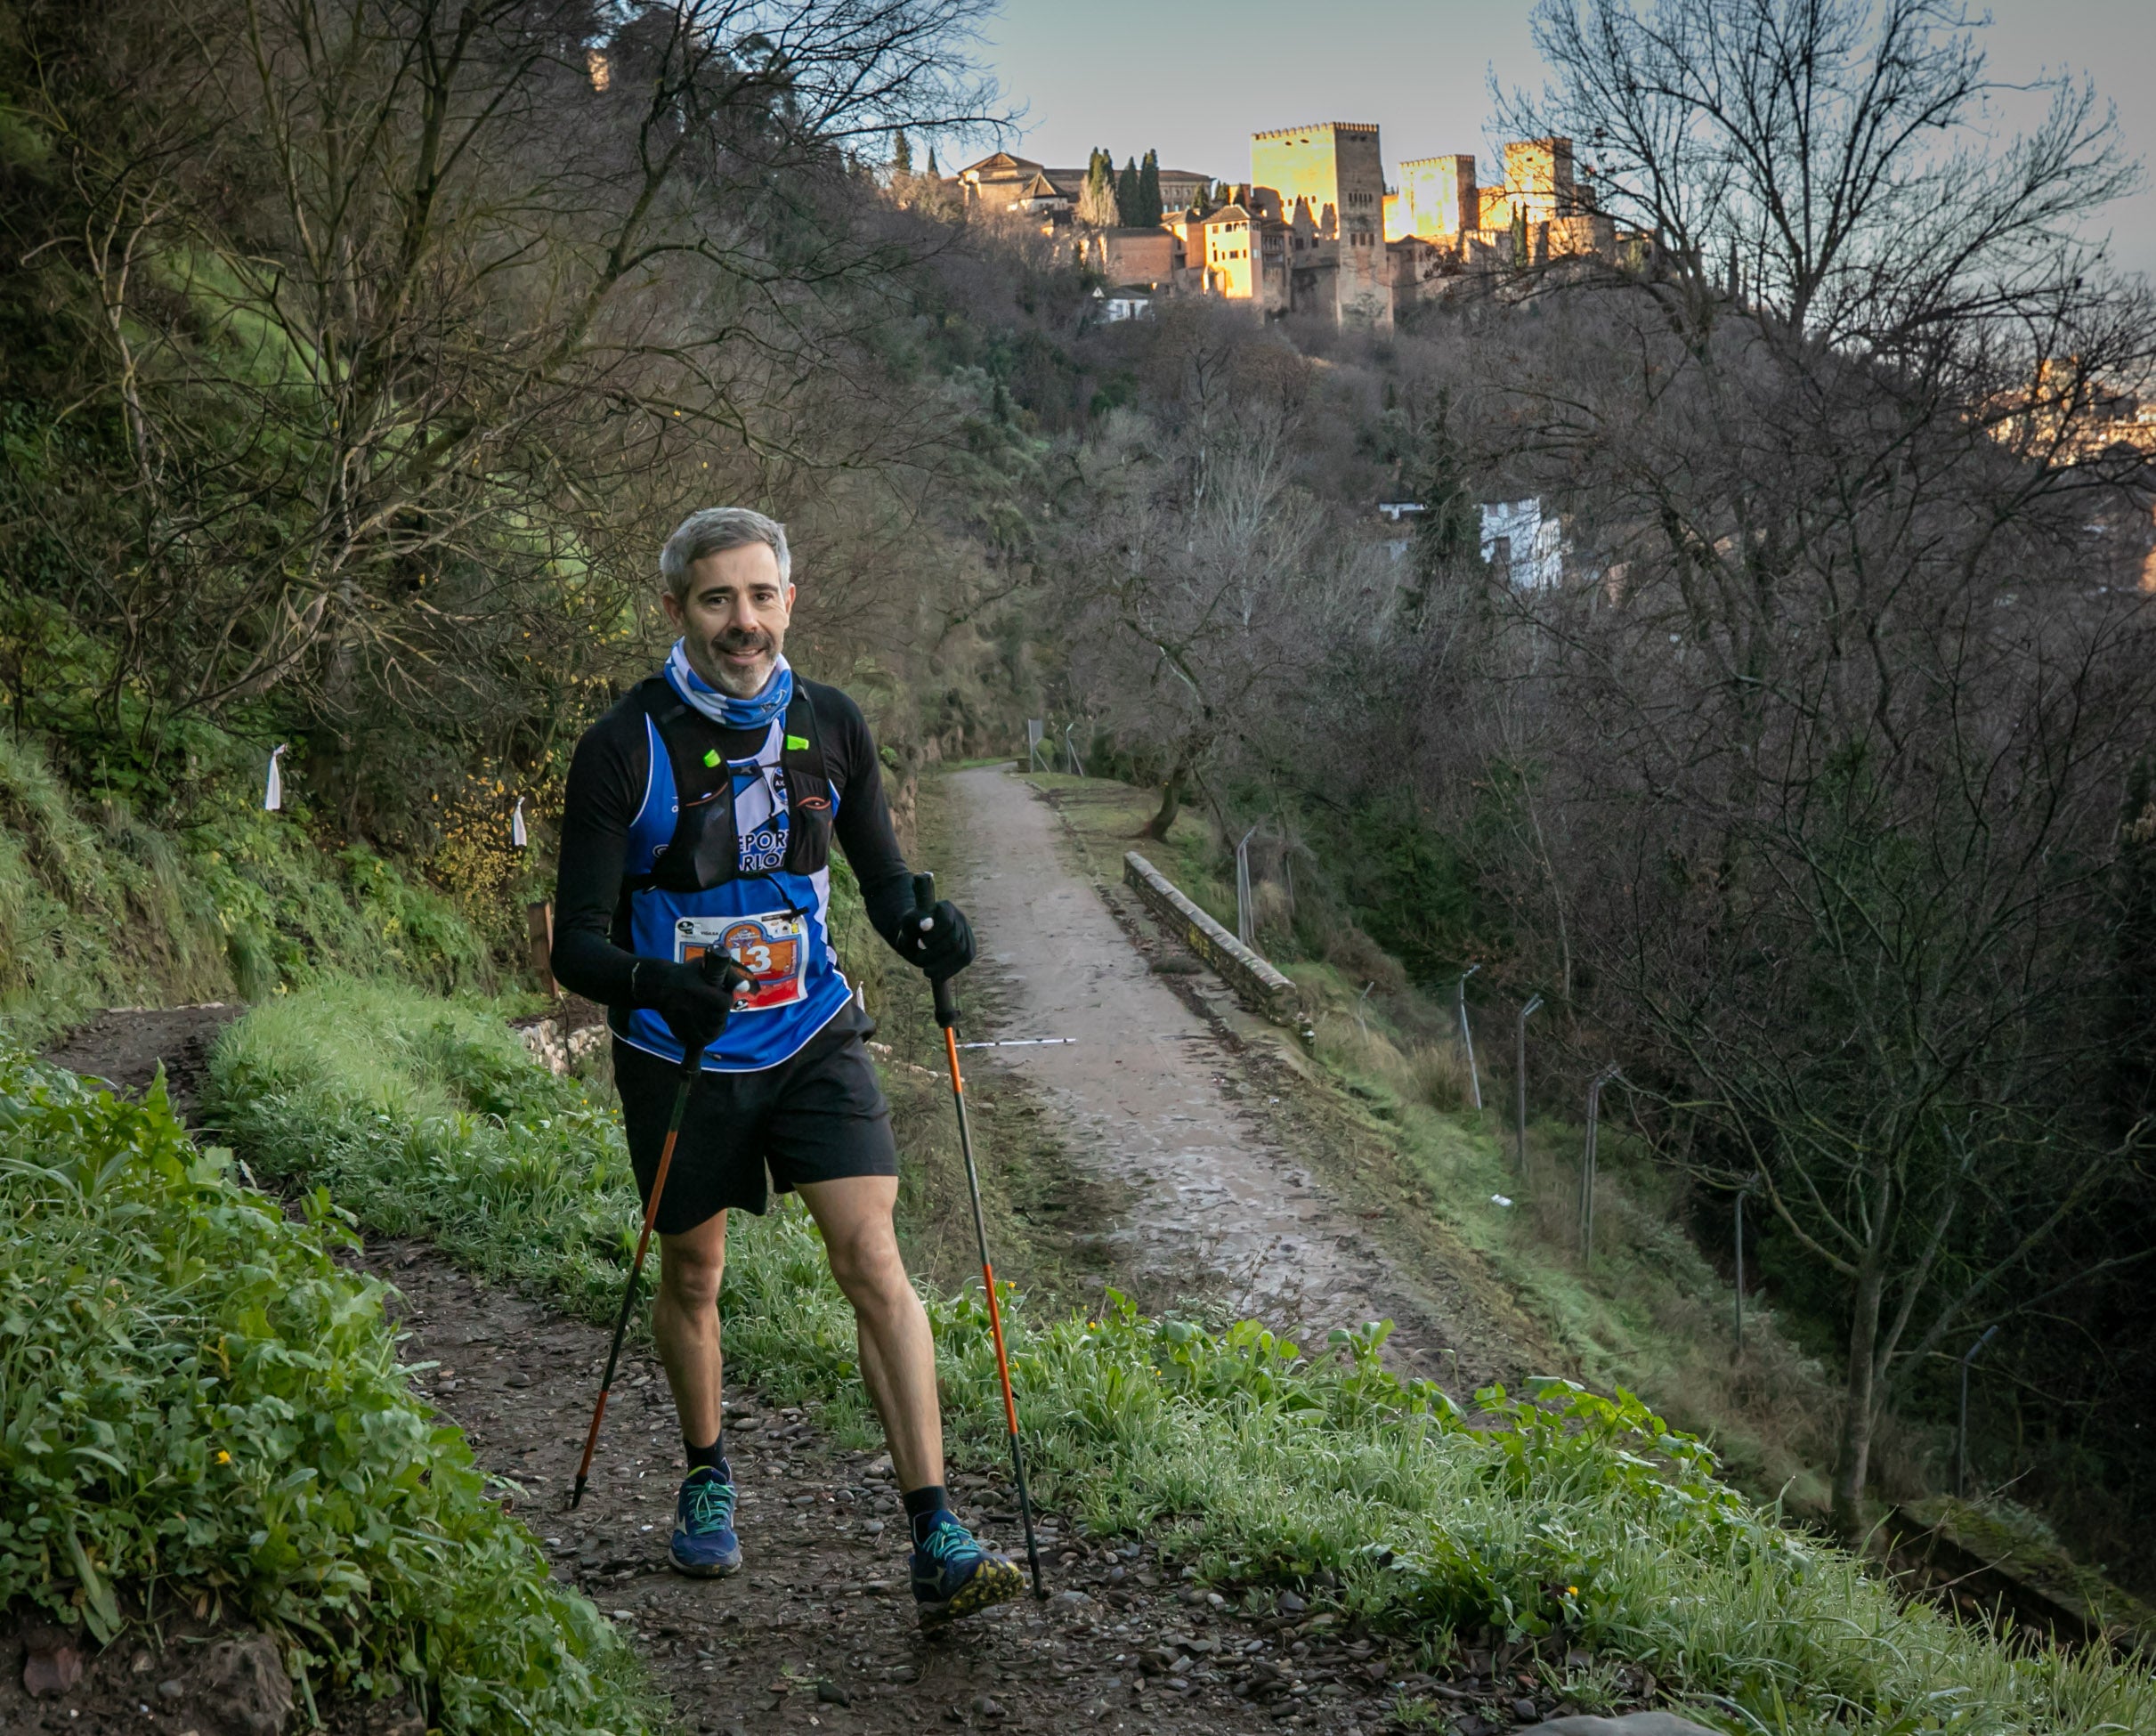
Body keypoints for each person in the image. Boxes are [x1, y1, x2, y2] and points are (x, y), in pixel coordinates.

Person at [550, 507, 1023, 1630]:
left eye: (761, 597)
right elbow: (576, 946)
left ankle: (936, 1528)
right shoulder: (625, 746)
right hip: (680, 1048)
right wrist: (660, 985)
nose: (742, 621)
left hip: (811, 1031)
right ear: (677, 610)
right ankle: (707, 1471)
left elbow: (887, 888)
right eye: (717, 599)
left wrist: (931, 933)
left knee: (872, 1255)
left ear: (790, 602)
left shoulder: (831, 725)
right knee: (695, 1277)